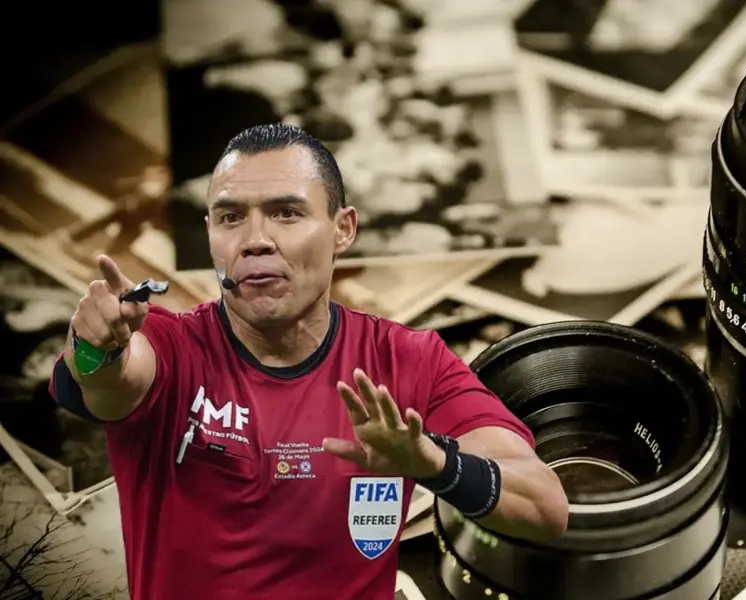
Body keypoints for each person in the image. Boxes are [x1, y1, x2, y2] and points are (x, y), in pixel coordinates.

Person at [49, 123, 569, 600]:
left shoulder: (411, 362)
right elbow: (110, 378)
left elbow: (545, 508)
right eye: (231, 218)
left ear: (343, 228)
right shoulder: (171, 345)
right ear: (208, 233)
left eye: (286, 212)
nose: (255, 240)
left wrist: (435, 464)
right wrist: (97, 344)